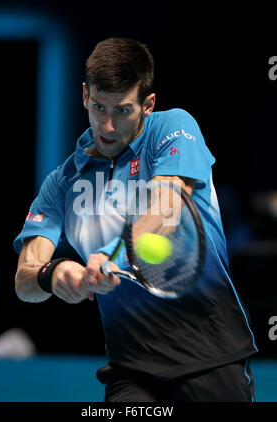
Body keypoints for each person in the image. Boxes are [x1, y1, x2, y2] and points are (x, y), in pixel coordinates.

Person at [13, 38, 258, 402]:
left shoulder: (172, 128)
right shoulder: (62, 182)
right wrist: (56, 275)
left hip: (211, 357)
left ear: (148, 104)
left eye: (122, 110)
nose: (107, 126)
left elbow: (166, 208)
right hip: (130, 371)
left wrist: (111, 255)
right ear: (84, 95)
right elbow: (24, 279)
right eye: (99, 107)